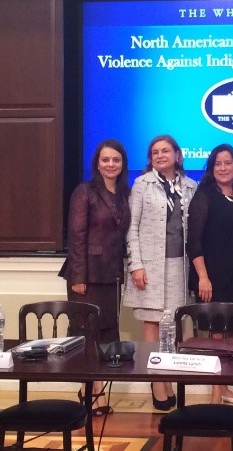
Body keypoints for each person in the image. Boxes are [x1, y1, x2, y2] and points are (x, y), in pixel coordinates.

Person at [123, 134, 197, 411]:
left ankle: (168, 375)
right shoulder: (142, 185)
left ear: (177, 155)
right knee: (152, 322)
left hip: (179, 264)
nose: (160, 155)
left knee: (172, 324)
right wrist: (136, 265)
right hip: (150, 265)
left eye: (166, 151)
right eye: (155, 152)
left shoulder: (190, 186)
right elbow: (132, 228)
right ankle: (156, 381)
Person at [63, 138, 131, 416]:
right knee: (85, 335)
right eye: (105, 160)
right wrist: (79, 277)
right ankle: (88, 390)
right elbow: (76, 237)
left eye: (116, 160)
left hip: (111, 275)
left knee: (106, 333)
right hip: (86, 277)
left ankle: (97, 391)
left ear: (122, 163)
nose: (111, 164)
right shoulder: (85, 191)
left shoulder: (124, 194)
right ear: (97, 163)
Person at [187, 144, 233, 404]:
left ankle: (226, 386)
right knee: (216, 337)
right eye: (218, 163)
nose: (223, 168)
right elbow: (194, 242)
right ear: (211, 168)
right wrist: (203, 277)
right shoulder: (204, 196)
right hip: (212, 279)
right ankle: (216, 393)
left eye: (228, 163)